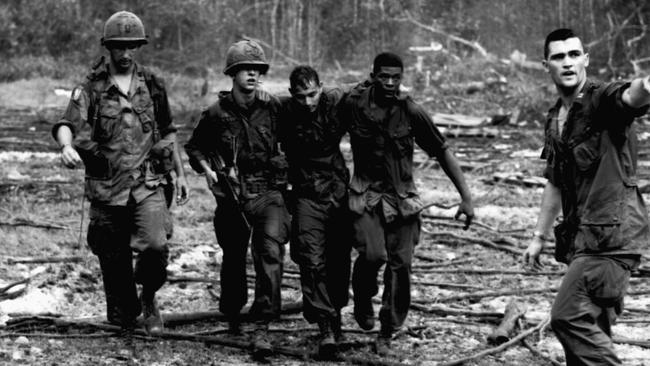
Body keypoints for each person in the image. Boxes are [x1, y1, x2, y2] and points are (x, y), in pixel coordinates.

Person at [52, 11, 189, 335]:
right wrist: (66, 147)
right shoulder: (91, 86)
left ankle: (150, 297)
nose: (125, 54)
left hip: (148, 182)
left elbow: (168, 132)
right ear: (108, 47)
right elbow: (66, 124)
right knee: (115, 276)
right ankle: (128, 310)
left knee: (155, 246)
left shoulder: (153, 85)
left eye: (132, 47)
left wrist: (181, 175)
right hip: (107, 187)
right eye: (119, 47)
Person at [523, 28, 650, 365]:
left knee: (568, 318)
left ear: (586, 59)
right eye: (559, 57)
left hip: (611, 240)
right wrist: (538, 236)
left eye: (574, 55)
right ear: (545, 64)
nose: (568, 63)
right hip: (586, 240)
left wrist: (646, 85)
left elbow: (630, 97)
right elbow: (555, 181)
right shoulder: (556, 118)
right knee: (590, 338)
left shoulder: (601, 101)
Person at [337, 52, 474, 355]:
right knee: (372, 255)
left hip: (402, 201)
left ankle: (387, 330)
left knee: (401, 268)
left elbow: (442, 150)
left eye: (395, 77)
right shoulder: (353, 104)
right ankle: (362, 295)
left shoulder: (411, 111)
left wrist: (466, 197)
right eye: (383, 76)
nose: (389, 83)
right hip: (366, 196)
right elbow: (325, 134)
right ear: (372, 76)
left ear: (401, 78)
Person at [184, 39, 290, 360]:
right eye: (246, 70)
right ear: (233, 74)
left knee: (270, 252)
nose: (253, 76)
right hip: (232, 194)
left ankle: (262, 326)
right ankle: (232, 314)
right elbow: (195, 147)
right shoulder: (216, 114)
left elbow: (293, 144)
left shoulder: (274, 108)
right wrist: (206, 170)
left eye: (258, 70)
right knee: (233, 256)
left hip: (268, 192)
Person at [278, 65, 351, 357]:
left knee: (339, 258)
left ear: (321, 87)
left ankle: (336, 315)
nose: (308, 102)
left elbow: (363, 98)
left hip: (337, 190)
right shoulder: (282, 110)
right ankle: (325, 327)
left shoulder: (336, 102)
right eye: (301, 96)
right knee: (310, 258)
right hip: (306, 193)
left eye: (312, 94)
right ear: (291, 94)